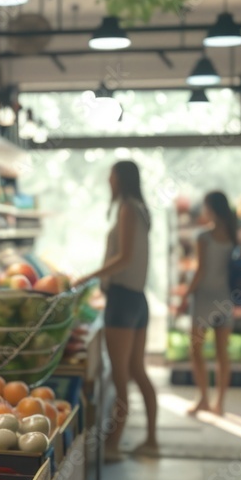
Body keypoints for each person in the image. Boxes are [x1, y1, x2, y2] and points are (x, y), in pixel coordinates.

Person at [72, 161, 158, 462]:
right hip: (137, 300)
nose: (108, 181)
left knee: (121, 376)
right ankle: (150, 440)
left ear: (120, 179)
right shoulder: (141, 209)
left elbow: (124, 258)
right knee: (136, 371)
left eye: (111, 176)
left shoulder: (127, 209)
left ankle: (113, 445)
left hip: (122, 301)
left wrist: (88, 277)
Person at [183, 191, 238, 416]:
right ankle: (220, 404)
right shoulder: (232, 234)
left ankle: (203, 398)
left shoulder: (203, 237)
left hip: (204, 298)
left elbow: (201, 270)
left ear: (211, 209)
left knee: (196, 349)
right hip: (225, 299)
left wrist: (186, 293)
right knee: (222, 353)